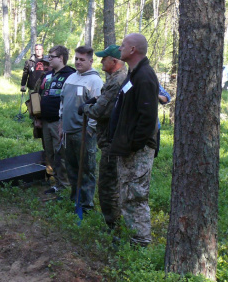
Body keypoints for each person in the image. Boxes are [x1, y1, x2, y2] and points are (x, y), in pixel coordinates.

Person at [109, 33, 159, 247]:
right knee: (126, 195)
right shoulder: (133, 74)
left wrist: (133, 145)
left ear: (133, 50)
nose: (120, 48)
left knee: (136, 196)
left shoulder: (145, 76)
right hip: (127, 149)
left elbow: (147, 119)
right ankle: (131, 239)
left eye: (123, 45)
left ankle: (140, 243)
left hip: (137, 150)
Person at [79, 45, 127, 229]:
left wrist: (86, 108)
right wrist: (95, 101)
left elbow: (100, 111)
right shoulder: (115, 79)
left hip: (112, 142)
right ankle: (114, 223)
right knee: (110, 185)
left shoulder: (117, 81)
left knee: (108, 187)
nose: (100, 62)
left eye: (103, 58)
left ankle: (113, 226)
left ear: (114, 61)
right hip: (110, 140)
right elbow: (103, 102)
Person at [59, 46, 103, 212]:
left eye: (82, 59)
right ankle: (74, 198)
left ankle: (86, 204)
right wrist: (61, 124)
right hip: (68, 131)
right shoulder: (71, 77)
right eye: (76, 58)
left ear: (90, 61)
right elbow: (63, 102)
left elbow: (98, 107)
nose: (78, 62)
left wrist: (90, 129)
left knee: (86, 168)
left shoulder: (95, 81)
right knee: (71, 166)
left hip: (84, 132)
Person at [37, 46, 76, 194]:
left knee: (61, 154)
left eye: (52, 56)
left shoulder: (70, 75)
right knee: (50, 154)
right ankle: (58, 183)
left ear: (61, 58)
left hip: (59, 122)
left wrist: (63, 122)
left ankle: (65, 186)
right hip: (45, 121)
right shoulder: (48, 75)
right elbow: (40, 95)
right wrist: (37, 117)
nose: (49, 59)